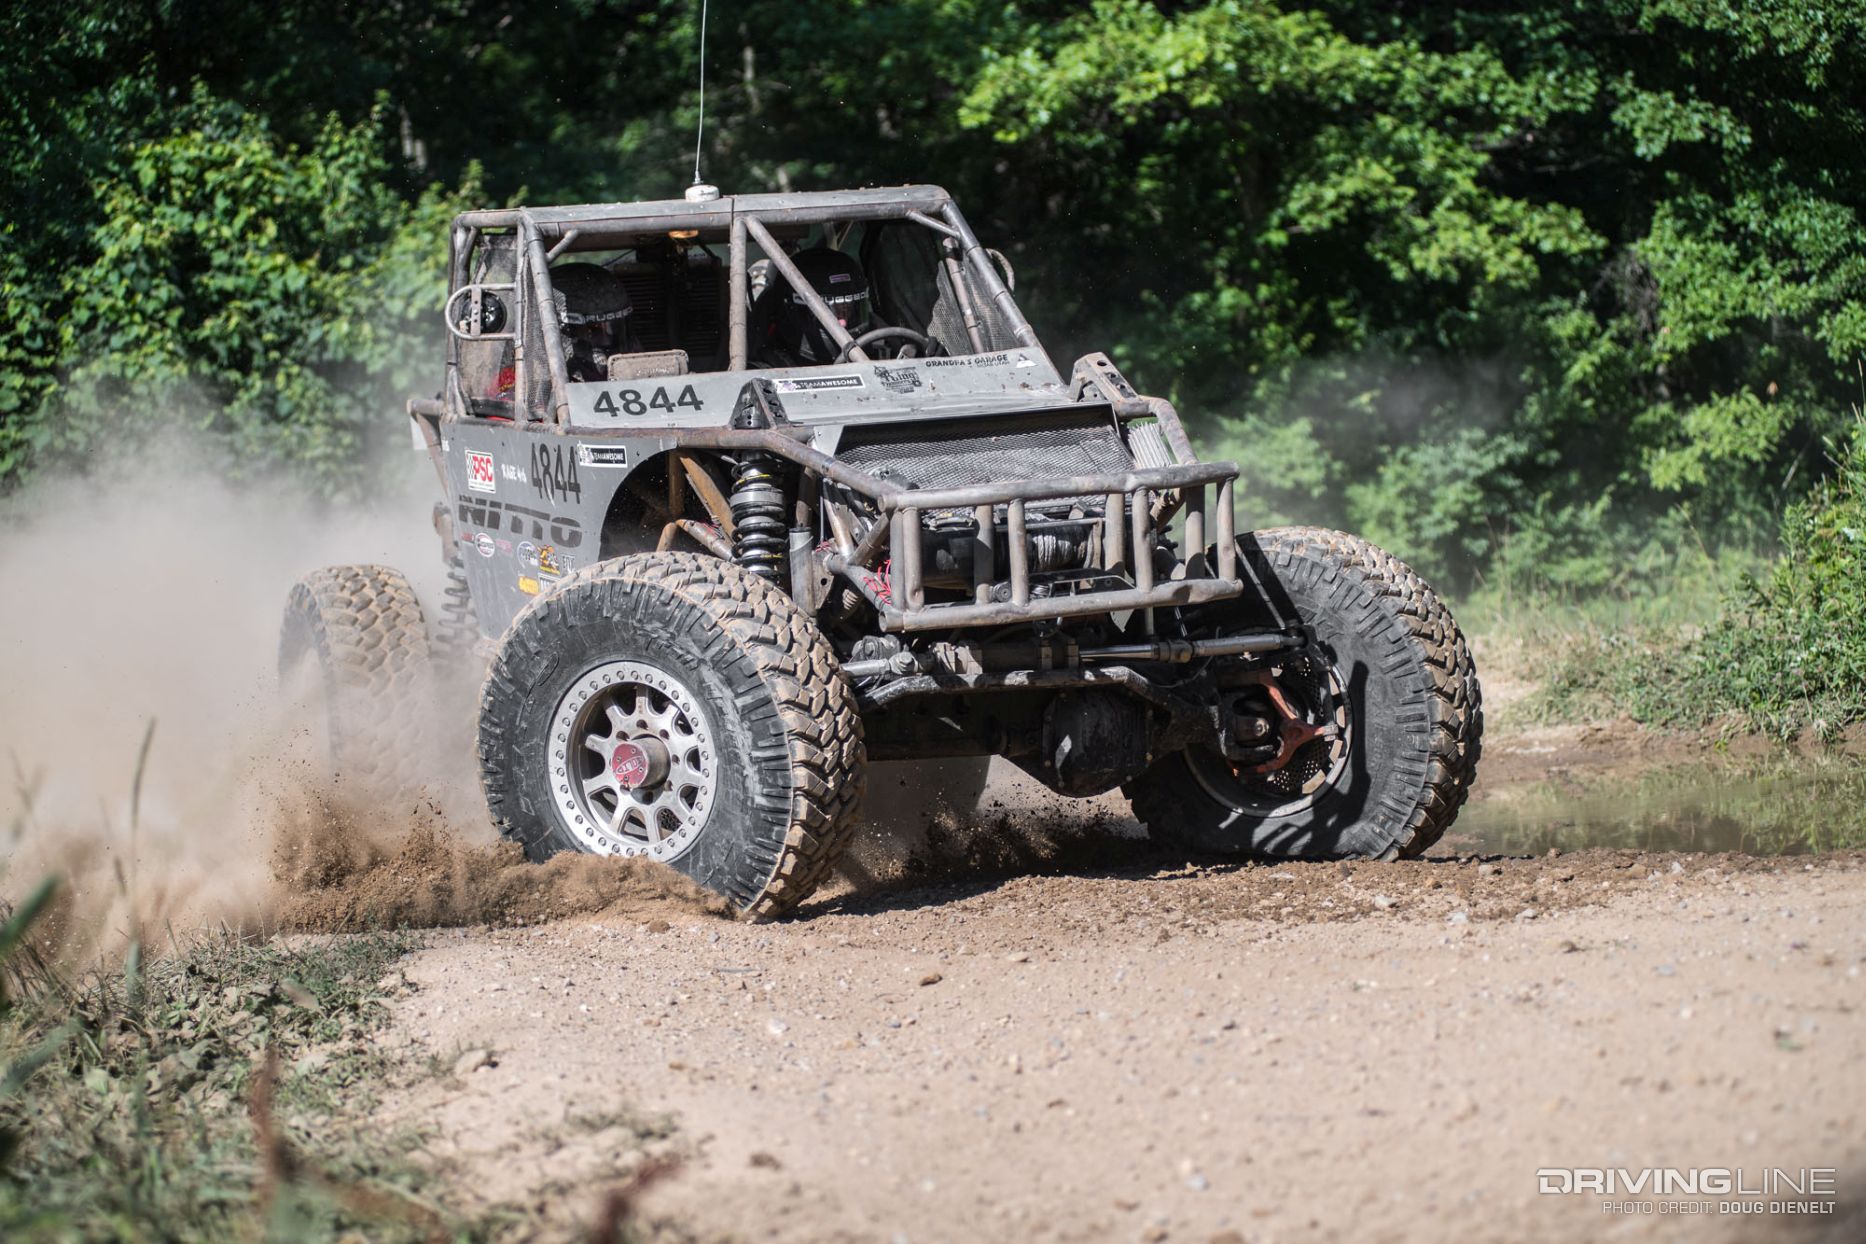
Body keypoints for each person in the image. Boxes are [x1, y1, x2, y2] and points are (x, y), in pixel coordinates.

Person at [751, 247, 874, 368]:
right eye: (829, 313)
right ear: (792, 310)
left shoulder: (881, 349)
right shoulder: (767, 375)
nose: (842, 323)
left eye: (848, 309)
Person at [552, 261, 640, 381]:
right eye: (593, 330)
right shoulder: (534, 384)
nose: (606, 340)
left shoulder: (632, 369)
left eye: (614, 329)